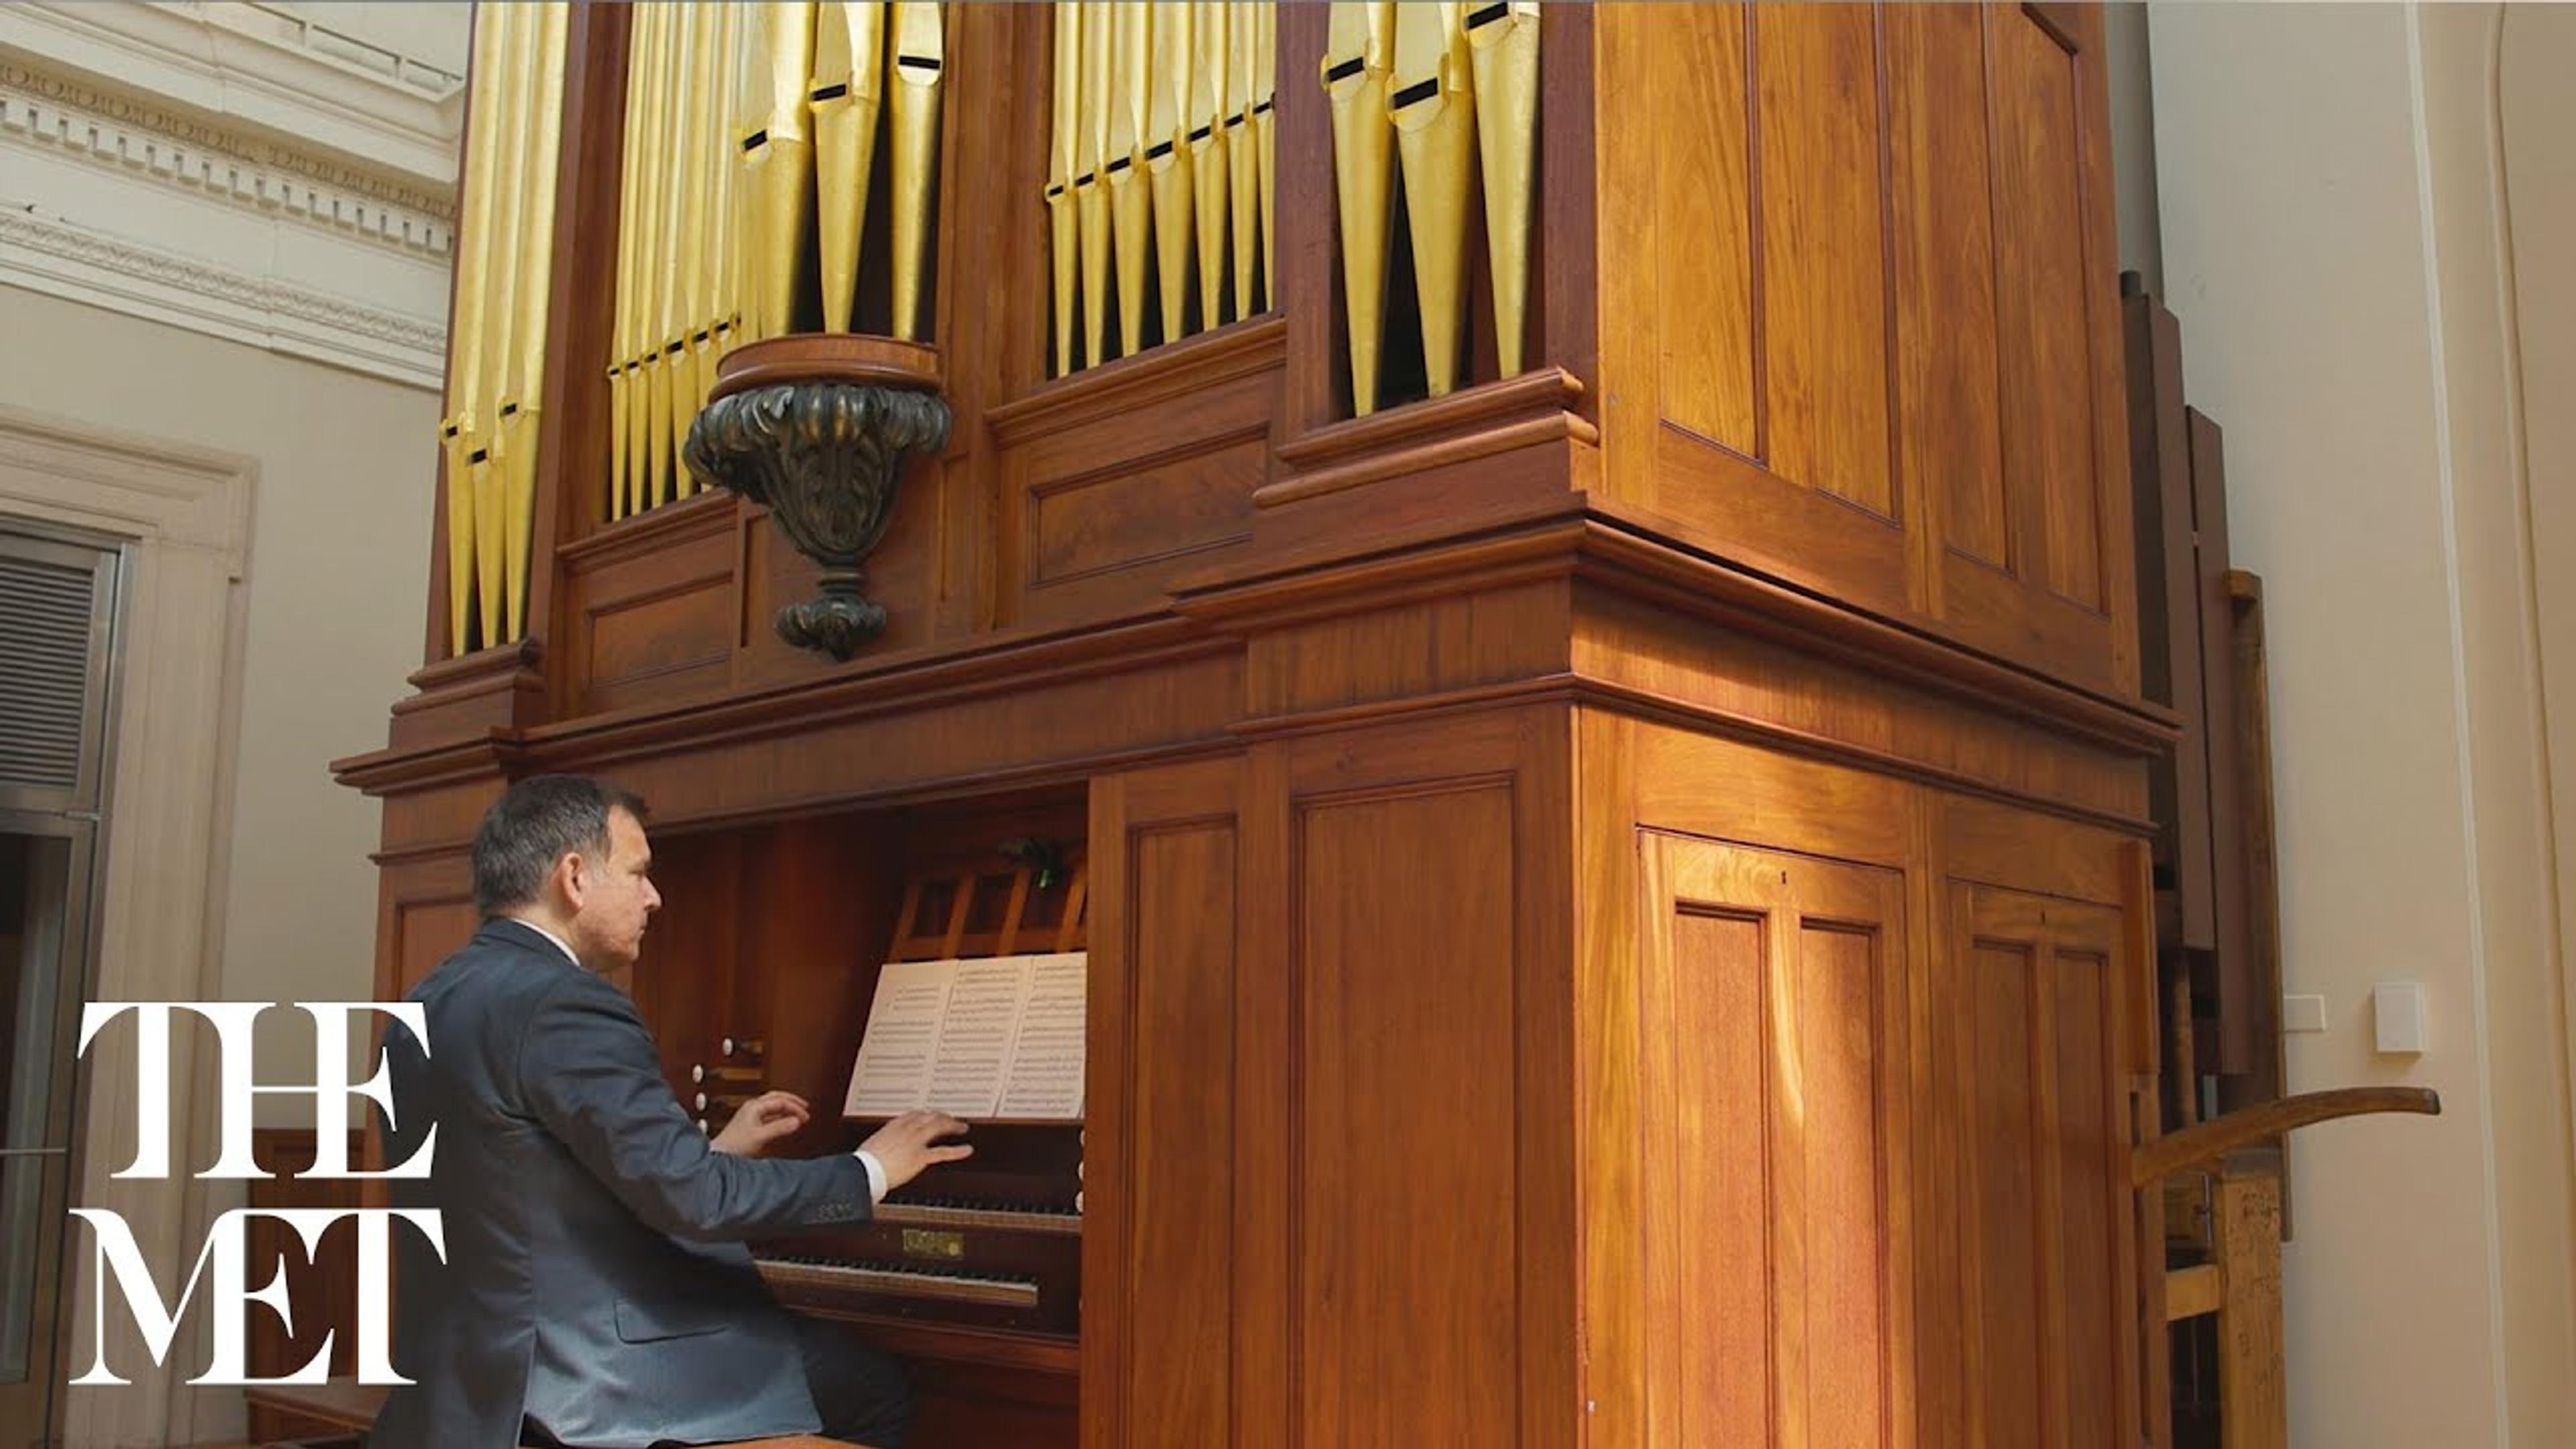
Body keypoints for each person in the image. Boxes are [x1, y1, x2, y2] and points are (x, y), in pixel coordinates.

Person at [372, 773, 970, 1449]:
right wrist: (870, 1169)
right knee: (874, 1388)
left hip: (469, 1375)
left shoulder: (425, 1003)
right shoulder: (566, 1003)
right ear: (574, 877)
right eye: (638, 872)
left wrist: (715, 1151)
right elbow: (697, 1203)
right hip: (586, 1378)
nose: (654, 897)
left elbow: (527, 1181)